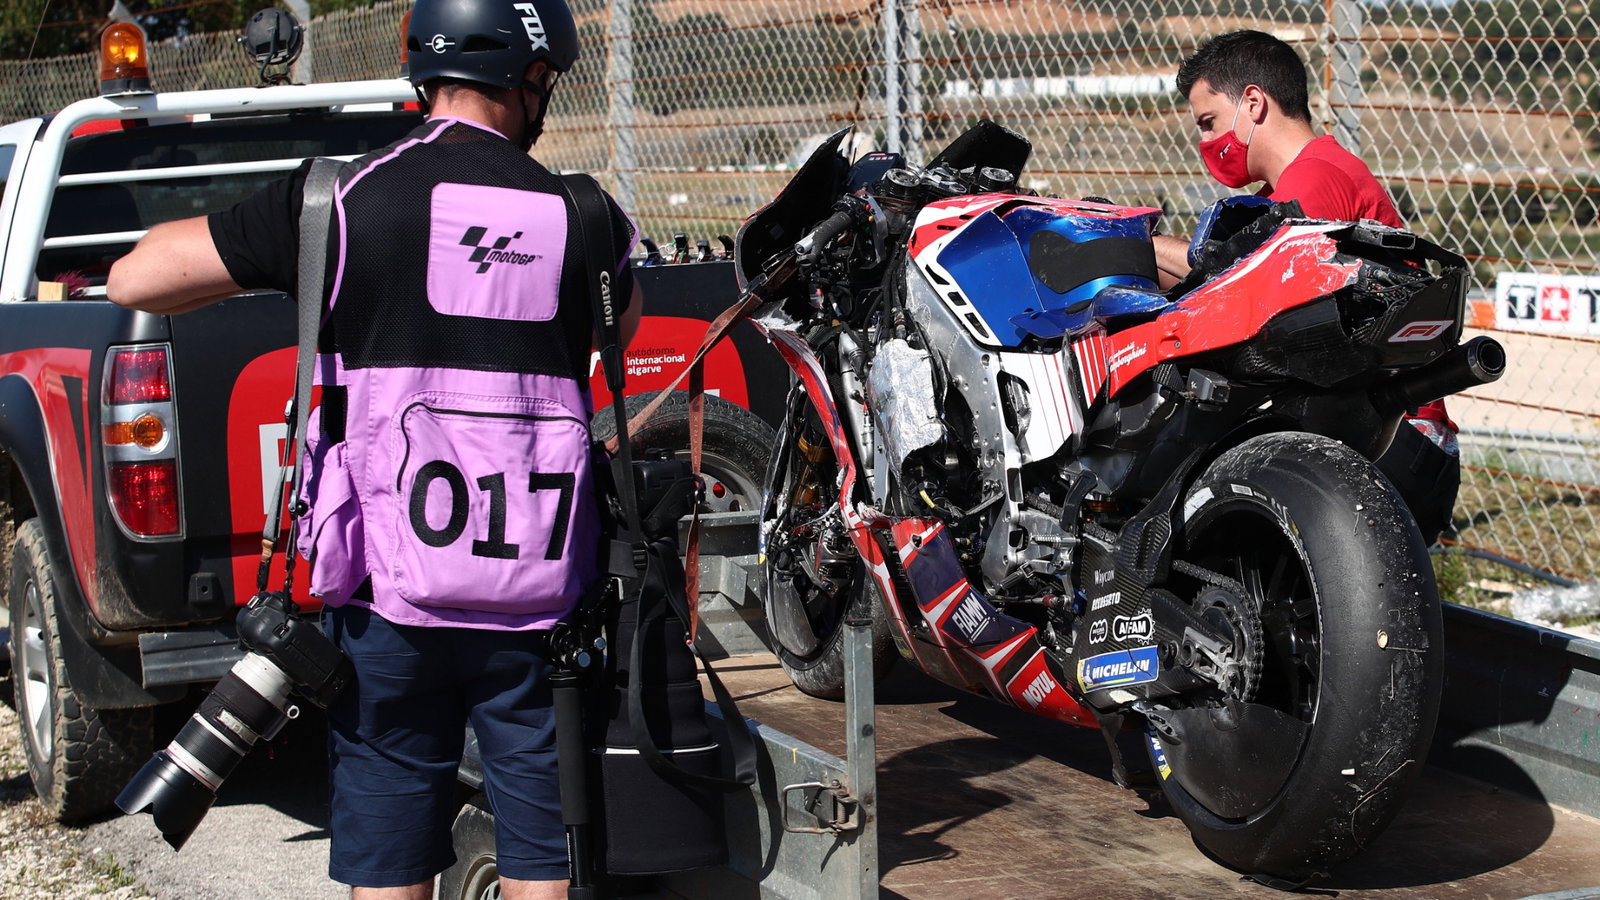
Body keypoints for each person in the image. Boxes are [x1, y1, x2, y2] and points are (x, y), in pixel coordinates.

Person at [106, 0, 641, 897]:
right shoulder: (585, 214)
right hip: (539, 603)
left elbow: (136, 277)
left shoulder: (339, 200)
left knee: (391, 841)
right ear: (531, 75)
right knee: (545, 852)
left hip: (386, 598)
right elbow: (617, 325)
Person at [1153, 29, 1459, 545]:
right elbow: (1212, 275)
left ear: (1253, 103)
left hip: (1397, 442)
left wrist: (1135, 243)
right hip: (1377, 432)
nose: (1206, 144)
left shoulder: (1316, 179)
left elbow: (1234, 281)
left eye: (1208, 123)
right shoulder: (1293, 189)